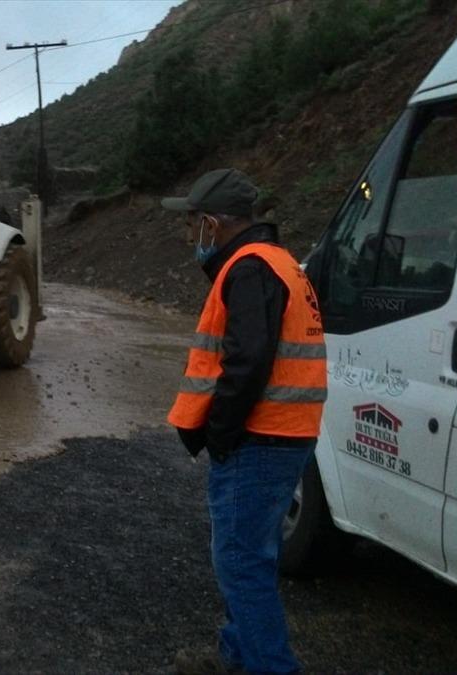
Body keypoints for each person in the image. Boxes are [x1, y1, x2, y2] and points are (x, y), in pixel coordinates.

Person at [163, 168, 327, 675]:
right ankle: (236, 656)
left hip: (260, 439)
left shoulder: (250, 269)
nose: (189, 234)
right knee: (253, 556)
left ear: (212, 224)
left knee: (240, 563)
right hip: (285, 435)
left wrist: (220, 433)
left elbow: (247, 362)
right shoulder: (278, 262)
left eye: (192, 223)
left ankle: (271, 666)